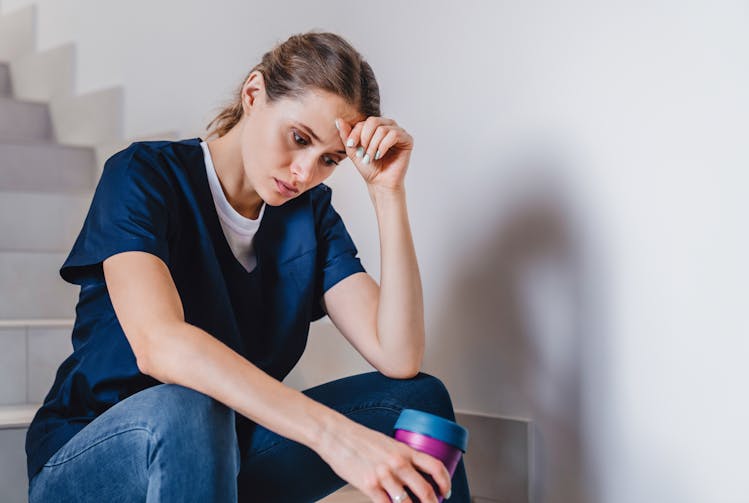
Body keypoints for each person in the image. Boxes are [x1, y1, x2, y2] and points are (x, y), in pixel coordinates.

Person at [25, 31, 471, 502]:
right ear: (254, 94)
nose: (305, 172)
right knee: (190, 404)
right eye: (299, 138)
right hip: (97, 458)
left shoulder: (310, 215)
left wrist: (387, 193)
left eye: (329, 159)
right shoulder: (142, 175)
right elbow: (160, 346)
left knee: (419, 401)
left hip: (224, 458)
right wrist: (333, 436)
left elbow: (398, 356)